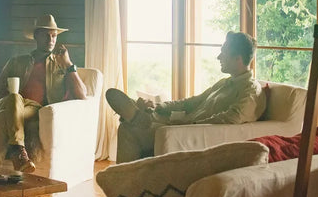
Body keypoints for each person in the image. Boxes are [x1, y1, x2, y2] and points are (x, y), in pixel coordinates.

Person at [106, 30, 266, 162]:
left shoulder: (250, 90)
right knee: (131, 125)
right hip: (181, 125)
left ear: (238, 58)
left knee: (128, 129)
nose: (218, 57)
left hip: (188, 133)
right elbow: (192, 102)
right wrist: (160, 106)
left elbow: (231, 119)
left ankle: (138, 115)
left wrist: (188, 123)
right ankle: (143, 112)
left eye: (223, 53)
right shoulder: (224, 83)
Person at [0, 14, 88, 172]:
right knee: (13, 98)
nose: (51, 39)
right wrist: (5, 96)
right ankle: (19, 152)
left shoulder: (61, 65)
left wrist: (69, 64)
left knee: (3, 117)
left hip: (34, 109)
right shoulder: (17, 61)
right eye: (46, 35)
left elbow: (83, 95)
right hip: (7, 102)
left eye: (54, 36)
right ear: (36, 36)